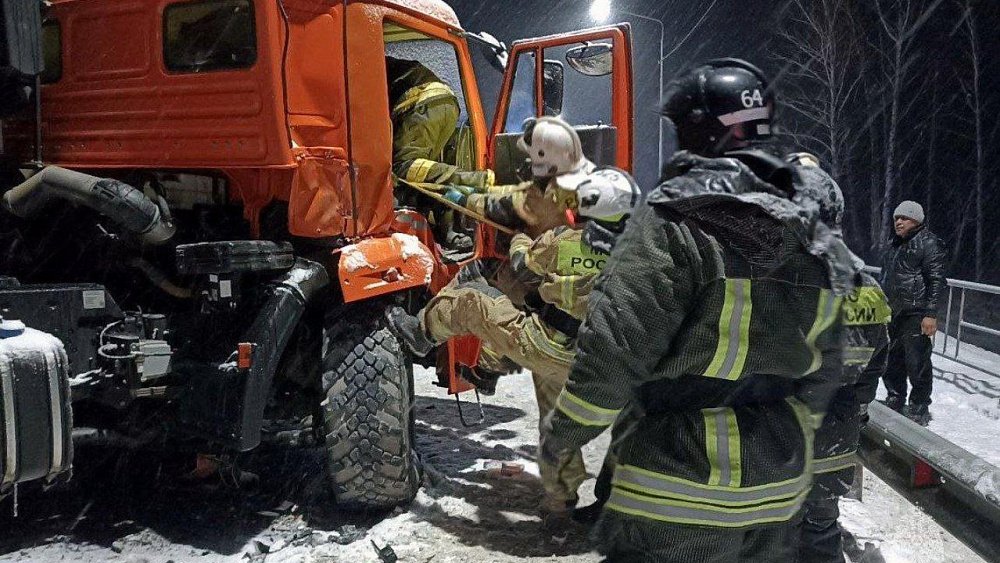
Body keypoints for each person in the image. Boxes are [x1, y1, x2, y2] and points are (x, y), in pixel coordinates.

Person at [540, 59, 855, 563]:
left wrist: (561, 440)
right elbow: (829, 360)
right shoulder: (811, 232)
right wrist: (788, 432)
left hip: (678, 492)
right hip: (776, 492)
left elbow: (613, 351)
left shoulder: (673, 220)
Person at [387, 117, 640, 539]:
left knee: (476, 298)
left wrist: (420, 174)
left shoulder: (559, 233)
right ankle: (613, 498)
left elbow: (507, 227)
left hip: (555, 345)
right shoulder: (642, 254)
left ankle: (421, 335)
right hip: (612, 358)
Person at [789, 153, 891, 563]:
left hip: (775, 435)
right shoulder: (867, 286)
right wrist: (853, 408)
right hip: (836, 428)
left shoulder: (772, 284)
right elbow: (876, 361)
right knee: (820, 522)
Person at [386, 57, 496, 251]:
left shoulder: (362, 63)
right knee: (421, 177)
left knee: (403, 167)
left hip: (421, 102)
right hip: (445, 104)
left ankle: (470, 179)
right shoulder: (377, 60)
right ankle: (448, 231)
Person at [879, 201, 946, 425]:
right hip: (892, 311)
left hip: (916, 312)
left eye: (904, 218)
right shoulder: (894, 244)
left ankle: (919, 406)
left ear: (916, 220)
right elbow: (886, 276)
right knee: (891, 359)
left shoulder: (929, 243)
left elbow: (936, 281)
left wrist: (930, 314)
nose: (898, 222)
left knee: (917, 361)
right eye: (896, 218)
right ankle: (895, 397)